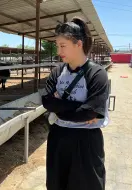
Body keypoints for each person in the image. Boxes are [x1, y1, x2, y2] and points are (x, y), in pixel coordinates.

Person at [40, 16, 109, 190]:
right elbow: (47, 102)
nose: (58, 50)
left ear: (79, 44)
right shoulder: (57, 72)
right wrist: (82, 109)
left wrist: (60, 105)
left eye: (62, 46)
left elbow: (89, 113)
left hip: (86, 141)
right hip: (58, 136)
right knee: (57, 184)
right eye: (57, 45)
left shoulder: (96, 74)